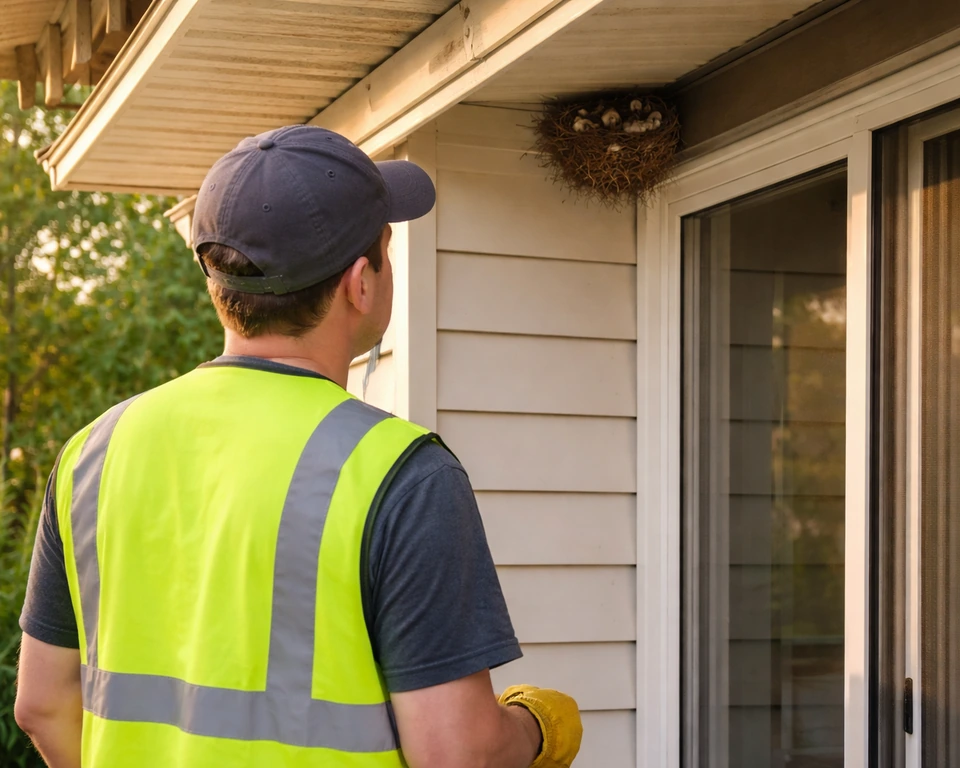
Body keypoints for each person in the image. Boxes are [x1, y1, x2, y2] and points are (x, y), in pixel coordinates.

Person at [15, 124, 583, 768]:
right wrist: (540, 727)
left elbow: (40, 705)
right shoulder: (401, 474)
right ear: (360, 282)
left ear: (217, 285)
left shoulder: (93, 452)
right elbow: (459, 753)